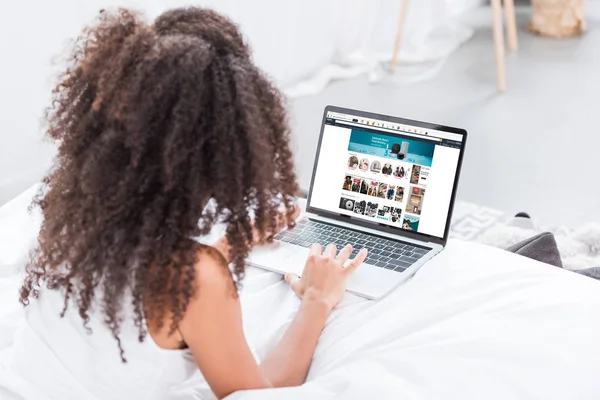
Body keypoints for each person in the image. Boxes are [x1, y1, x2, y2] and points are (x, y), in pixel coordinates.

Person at [0, 8, 367, 400]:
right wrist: (317, 299)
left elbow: (142, 281)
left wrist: (234, 243)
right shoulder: (194, 281)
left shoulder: (71, 210)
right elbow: (259, 393)